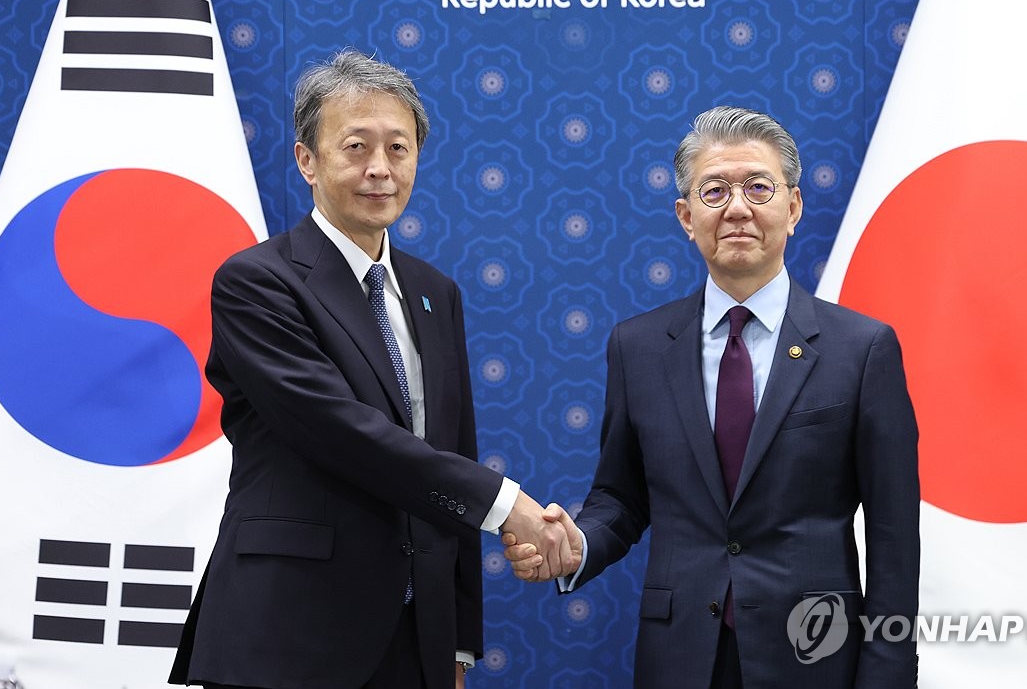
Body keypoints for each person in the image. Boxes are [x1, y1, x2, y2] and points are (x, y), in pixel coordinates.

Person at [169, 50, 570, 689]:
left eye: (399, 149)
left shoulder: (436, 292)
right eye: (356, 147)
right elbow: (339, 430)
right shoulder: (257, 282)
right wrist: (508, 505)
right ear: (308, 160)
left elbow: (451, 451)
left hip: (415, 643)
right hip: (286, 632)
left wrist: (459, 643)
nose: (379, 169)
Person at [505, 106, 920, 688]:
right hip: (680, 657)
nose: (738, 207)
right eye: (715, 190)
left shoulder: (863, 348)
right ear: (686, 216)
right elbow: (621, 498)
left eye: (758, 187)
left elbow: (894, 535)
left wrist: (889, 673)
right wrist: (577, 546)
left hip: (816, 653)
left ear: (793, 207)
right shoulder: (639, 347)